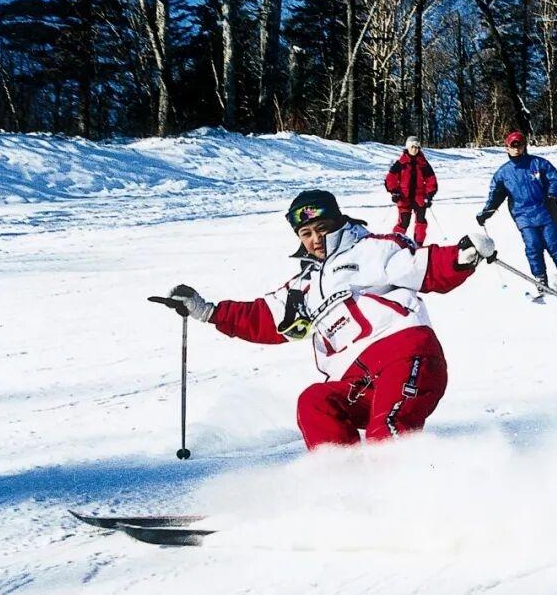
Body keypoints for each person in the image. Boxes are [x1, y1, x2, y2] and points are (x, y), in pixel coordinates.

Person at [162, 189, 496, 450]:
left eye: (322, 228)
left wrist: (461, 257)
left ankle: (406, 500)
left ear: (338, 222)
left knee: (386, 433)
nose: (315, 239)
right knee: (315, 402)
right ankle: (342, 489)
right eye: (306, 233)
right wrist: (206, 311)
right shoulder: (303, 287)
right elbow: (263, 317)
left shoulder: (372, 249)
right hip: (357, 379)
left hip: (404, 355)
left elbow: (423, 266)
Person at [477, 131, 557, 297]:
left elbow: (555, 180)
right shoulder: (503, 173)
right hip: (523, 215)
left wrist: (552, 196)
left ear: (524, 146)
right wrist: (486, 213)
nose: (516, 149)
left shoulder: (538, 164)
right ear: (507, 148)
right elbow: (496, 195)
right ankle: (540, 279)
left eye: (519, 145)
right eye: (512, 146)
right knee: (533, 246)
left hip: (546, 211)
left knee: (554, 244)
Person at [385, 136, 437, 245]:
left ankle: (418, 244)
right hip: (404, 197)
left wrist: (429, 194)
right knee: (404, 222)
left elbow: (431, 179)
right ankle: (395, 243)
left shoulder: (423, 163)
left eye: (417, 147)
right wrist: (394, 191)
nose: (414, 149)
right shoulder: (401, 163)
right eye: (412, 147)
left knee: (421, 221)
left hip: (420, 197)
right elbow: (390, 178)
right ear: (408, 147)